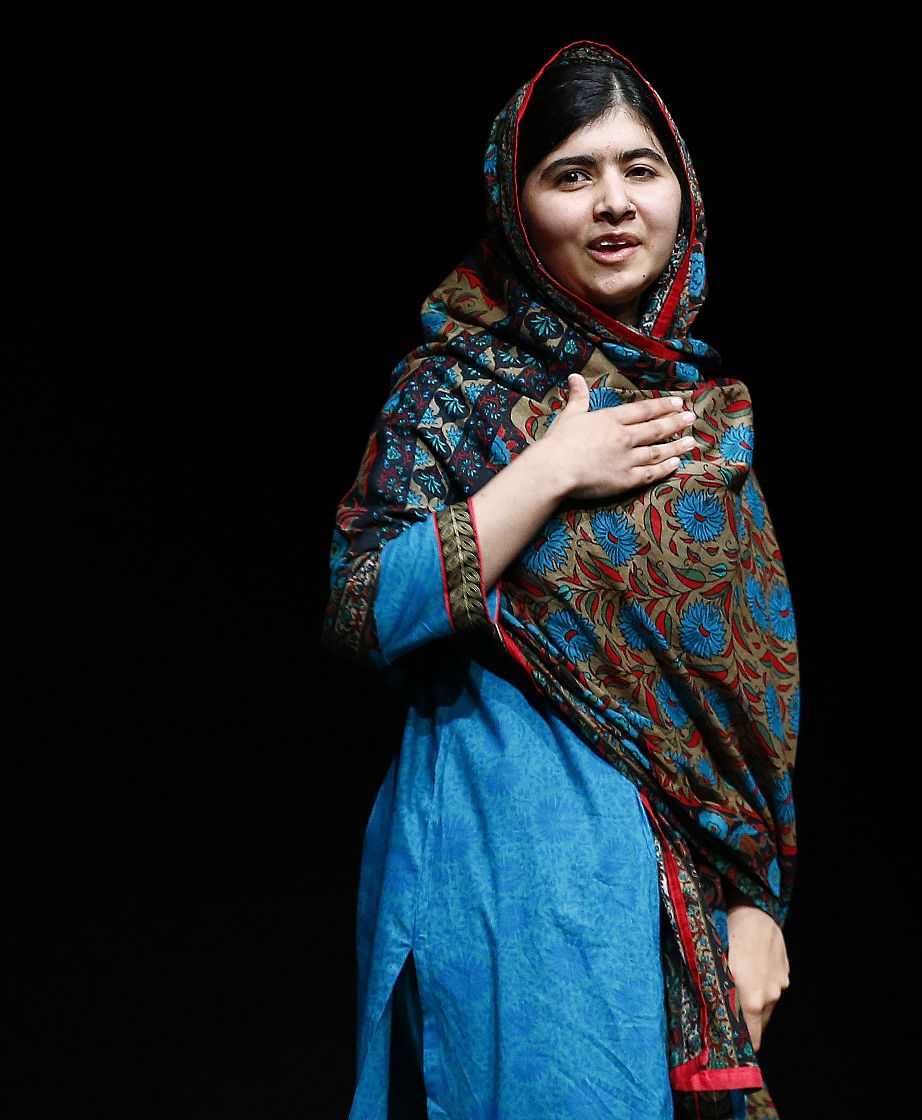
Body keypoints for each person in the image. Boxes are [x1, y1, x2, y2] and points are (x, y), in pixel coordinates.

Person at [321, 39, 799, 1120]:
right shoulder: (454, 388)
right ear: (515, 201)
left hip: (676, 892)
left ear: (685, 190)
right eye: (571, 174)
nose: (615, 204)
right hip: (506, 857)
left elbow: (739, 699)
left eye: (641, 168)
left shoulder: (700, 409)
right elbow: (359, 605)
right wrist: (549, 470)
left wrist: (761, 898)